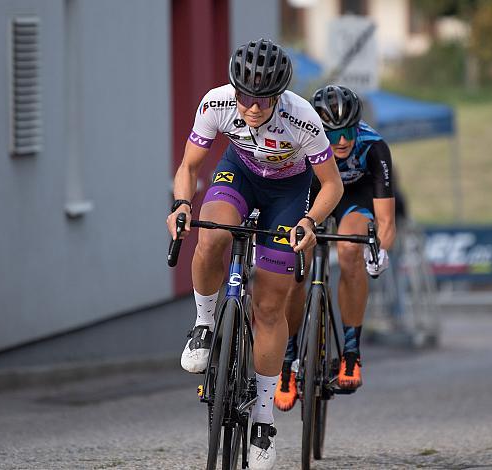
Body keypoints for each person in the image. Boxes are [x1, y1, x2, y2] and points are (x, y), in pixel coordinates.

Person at [166, 39, 343, 469]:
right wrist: (182, 206)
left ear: (278, 95)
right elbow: (190, 167)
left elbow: (333, 185)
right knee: (212, 237)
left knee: (268, 306)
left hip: (289, 192)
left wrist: (310, 222)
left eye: (262, 100)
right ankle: (205, 323)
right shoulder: (217, 104)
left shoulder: (302, 119)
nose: (251, 108)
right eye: (244, 97)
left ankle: (263, 419)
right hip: (240, 172)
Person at [274, 85, 396, 411]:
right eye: (333, 132)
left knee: (348, 251)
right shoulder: (302, 141)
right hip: (312, 196)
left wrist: (380, 250)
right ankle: (288, 358)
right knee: (294, 263)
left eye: (348, 130)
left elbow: (386, 219)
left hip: (355, 199)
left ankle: (351, 352)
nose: (342, 140)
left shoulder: (374, 147)